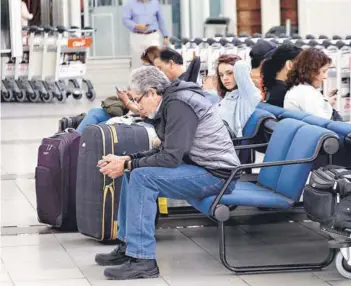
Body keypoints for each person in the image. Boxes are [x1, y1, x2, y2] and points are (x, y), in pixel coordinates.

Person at [94, 66, 240, 280]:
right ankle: (128, 247)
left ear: (152, 92)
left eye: (137, 99)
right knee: (133, 172)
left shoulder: (180, 105)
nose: (136, 106)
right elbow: (167, 149)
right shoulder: (171, 102)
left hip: (217, 175)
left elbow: (171, 158)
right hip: (198, 167)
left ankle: (143, 260)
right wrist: (129, 160)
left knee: (142, 177)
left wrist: (129, 165)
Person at [75, 46, 160, 133]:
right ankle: (71, 140)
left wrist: (126, 100)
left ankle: (73, 141)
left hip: (143, 123)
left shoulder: (157, 86)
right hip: (134, 117)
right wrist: (132, 95)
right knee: (95, 112)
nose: (143, 67)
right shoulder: (147, 80)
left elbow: (142, 111)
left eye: (146, 65)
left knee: (98, 128)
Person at [284, 48, 338, 120]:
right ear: (311, 72)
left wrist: (325, 102)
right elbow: (323, 123)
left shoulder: (300, 89)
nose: (325, 77)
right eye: (324, 71)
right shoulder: (306, 93)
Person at [215, 54, 262, 137]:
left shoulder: (247, 95)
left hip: (228, 146)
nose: (224, 78)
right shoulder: (228, 96)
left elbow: (241, 66)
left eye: (229, 73)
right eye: (221, 75)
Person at [122, 0, 169, 69]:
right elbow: (125, 19)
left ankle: (155, 79)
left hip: (152, 36)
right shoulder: (129, 3)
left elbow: (160, 20)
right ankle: (137, 79)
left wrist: (165, 36)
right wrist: (136, 26)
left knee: (156, 61)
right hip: (137, 36)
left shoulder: (155, 3)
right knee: (137, 63)